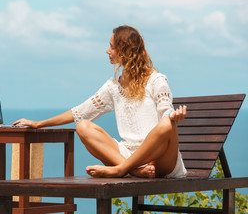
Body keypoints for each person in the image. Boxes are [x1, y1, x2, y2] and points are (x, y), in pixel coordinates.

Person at [13, 25, 187, 178]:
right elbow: (79, 112)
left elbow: (166, 111)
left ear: (125, 51)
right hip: (127, 154)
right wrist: (39, 123)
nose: (107, 51)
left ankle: (120, 170)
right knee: (82, 126)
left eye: (111, 47)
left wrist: (174, 116)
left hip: (160, 158)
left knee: (166, 124)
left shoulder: (157, 80)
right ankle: (133, 170)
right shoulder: (113, 87)